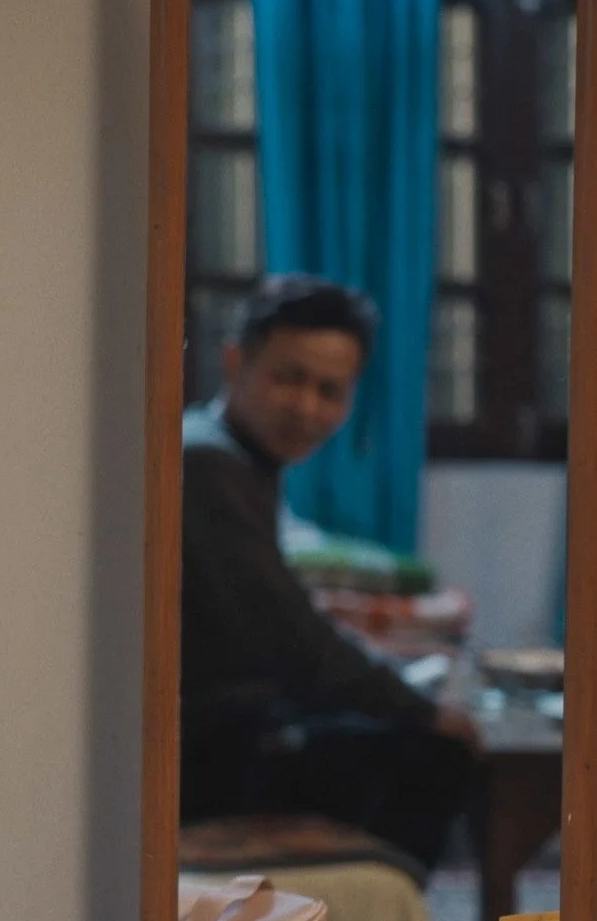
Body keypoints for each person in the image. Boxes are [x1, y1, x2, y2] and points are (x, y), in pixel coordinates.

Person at [179, 274, 478, 874]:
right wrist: (424, 711)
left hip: (245, 724)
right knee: (438, 747)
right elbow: (295, 644)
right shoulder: (207, 464)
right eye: (288, 378)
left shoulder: (240, 458)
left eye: (330, 390)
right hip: (213, 752)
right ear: (236, 362)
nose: (306, 408)